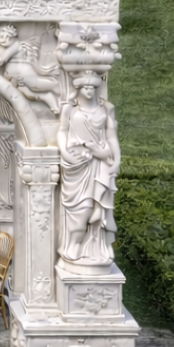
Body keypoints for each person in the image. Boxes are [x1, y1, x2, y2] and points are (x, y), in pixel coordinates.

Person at [57, 72, 120, 265]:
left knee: (101, 208)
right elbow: (62, 132)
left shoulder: (106, 109)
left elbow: (111, 138)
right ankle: (73, 244)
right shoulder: (69, 110)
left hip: (99, 164)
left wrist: (116, 160)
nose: (89, 91)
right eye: (85, 87)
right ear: (78, 89)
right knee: (80, 209)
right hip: (76, 166)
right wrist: (66, 153)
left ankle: (100, 246)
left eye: (93, 87)